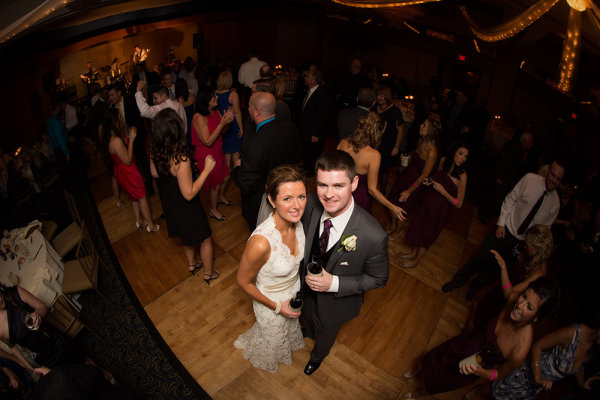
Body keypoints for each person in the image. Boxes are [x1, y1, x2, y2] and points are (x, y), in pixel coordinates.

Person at [300, 150, 389, 375]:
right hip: (305, 290)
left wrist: (335, 284)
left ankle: (317, 356)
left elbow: (379, 279)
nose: (328, 195)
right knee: (308, 317)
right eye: (322, 185)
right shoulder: (311, 203)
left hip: (335, 304)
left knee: (326, 332)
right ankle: (307, 331)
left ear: (354, 183)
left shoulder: (373, 235)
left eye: (338, 185)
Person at [402, 277, 558, 399]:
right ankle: (419, 368)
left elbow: (500, 374)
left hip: (473, 367)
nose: (520, 305)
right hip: (466, 342)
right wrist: (503, 267)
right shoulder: (513, 301)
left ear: (537, 318)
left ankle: (419, 394)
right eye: (524, 296)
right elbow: (508, 291)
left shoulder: (520, 350)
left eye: (529, 307)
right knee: (435, 356)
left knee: (442, 381)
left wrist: (480, 372)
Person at [443, 161, 565, 301]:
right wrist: (501, 224)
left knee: (494, 272)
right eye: (552, 175)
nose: (554, 180)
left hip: (522, 244)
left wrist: (527, 251)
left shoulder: (555, 204)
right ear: (548, 171)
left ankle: (475, 287)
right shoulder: (530, 179)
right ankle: (457, 281)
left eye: (558, 179)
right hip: (505, 229)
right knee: (480, 257)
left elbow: (544, 231)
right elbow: (510, 199)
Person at [234, 165, 306, 373]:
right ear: (272, 200)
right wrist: (277, 307)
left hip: (293, 295)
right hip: (271, 304)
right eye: (287, 199)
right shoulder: (261, 243)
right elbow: (243, 281)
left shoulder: (297, 222)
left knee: (287, 332)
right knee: (273, 340)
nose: (297, 206)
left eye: (301, 196)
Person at [150, 109, 219, 281]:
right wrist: (206, 170)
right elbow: (188, 194)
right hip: (186, 207)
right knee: (205, 238)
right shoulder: (180, 158)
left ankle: (192, 264)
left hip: (170, 205)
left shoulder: (155, 152)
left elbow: (155, 174)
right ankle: (209, 274)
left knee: (186, 236)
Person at [233, 92, 301, 231]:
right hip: (286, 196)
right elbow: (297, 158)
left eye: (249, 107)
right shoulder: (290, 128)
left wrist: (237, 168)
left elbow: (247, 186)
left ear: (257, 112)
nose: (248, 109)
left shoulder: (253, 145)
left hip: (261, 206)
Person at [398, 141, 469, 268]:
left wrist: (444, 192)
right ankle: (413, 253)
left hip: (441, 209)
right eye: (461, 154)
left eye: (465, 156)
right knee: (419, 227)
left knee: (427, 234)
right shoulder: (443, 161)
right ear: (454, 152)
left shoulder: (462, 176)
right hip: (428, 201)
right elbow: (436, 178)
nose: (463, 158)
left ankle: (416, 261)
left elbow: (458, 204)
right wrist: (429, 182)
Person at [490, 318, 600, 399]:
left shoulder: (593, 348)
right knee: (491, 393)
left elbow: (578, 365)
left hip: (535, 388)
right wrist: (538, 376)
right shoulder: (573, 333)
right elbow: (537, 346)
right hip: (525, 375)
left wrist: (581, 382)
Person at [472, 224, 553, 328]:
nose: (525, 247)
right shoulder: (532, 255)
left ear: (538, 248)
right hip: (501, 288)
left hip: (508, 297)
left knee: (485, 321)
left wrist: (503, 267)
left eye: (528, 246)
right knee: (478, 306)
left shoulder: (539, 273)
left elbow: (508, 294)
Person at [336, 112, 407, 220]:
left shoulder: (343, 142)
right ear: (377, 133)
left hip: (339, 192)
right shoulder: (374, 155)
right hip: (358, 200)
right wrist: (393, 207)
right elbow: (372, 190)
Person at [0, 285, 86, 370]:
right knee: (71, 379)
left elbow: (43, 307)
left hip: (56, 341)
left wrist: (37, 314)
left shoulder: (15, 293)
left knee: (85, 362)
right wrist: (29, 367)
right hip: (44, 358)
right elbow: (11, 346)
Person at [102, 108, 159, 232]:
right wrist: (132, 139)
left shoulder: (112, 137)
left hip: (121, 171)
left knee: (133, 197)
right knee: (142, 197)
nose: (121, 119)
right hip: (128, 172)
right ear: (114, 121)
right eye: (119, 118)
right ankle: (150, 225)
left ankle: (139, 221)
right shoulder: (116, 141)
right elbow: (127, 160)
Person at [386, 115, 441, 240]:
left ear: (430, 131)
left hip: (415, 184)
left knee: (402, 211)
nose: (421, 126)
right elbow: (414, 159)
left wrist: (409, 191)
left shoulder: (432, 152)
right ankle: (393, 225)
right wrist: (407, 159)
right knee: (391, 202)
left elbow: (424, 175)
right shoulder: (421, 142)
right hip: (406, 176)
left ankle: (398, 231)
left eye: (424, 125)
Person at [191, 87, 234, 221]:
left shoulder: (215, 111)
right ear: (205, 100)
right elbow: (208, 141)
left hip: (218, 150)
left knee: (226, 176)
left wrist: (228, 120)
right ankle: (213, 209)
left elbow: (222, 131)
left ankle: (220, 197)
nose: (216, 97)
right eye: (213, 96)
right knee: (215, 184)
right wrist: (222, 123)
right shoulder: (199, 117)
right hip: (207, 155)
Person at [215, 70, 243, 199]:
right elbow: (237, 112)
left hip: (222, 128)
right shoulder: (233, 94)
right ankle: (239, 186)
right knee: (236, 161)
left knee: (226, 165)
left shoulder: (215, 94)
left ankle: (221, 192)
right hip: (233, 127)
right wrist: (241, 128)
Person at [372, 85, 404, 192]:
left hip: (387, 145)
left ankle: (382, 190)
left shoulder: (395, 111)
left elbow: (400, 130)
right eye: (378, 95)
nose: (379, 97)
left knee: (383, 169)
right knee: (372, 167)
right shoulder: (374, 107)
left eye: (382, 95)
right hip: (373, 143)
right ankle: (371, 188)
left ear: (387, 96)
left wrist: (396, 147)